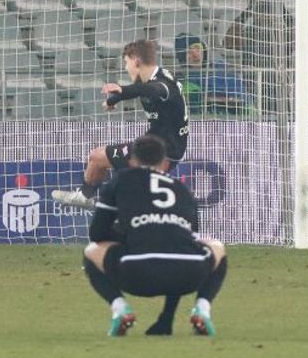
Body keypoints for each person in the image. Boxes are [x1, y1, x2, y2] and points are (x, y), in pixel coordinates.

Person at [81, 135, 228, 337]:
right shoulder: (183, 189)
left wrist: (127, 235)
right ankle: (201, 309)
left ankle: (120, 309)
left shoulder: (121, 181)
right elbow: (186, 243)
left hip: (137, 274)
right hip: (188, 276)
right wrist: (166, 318)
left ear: (131, 161)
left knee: (91, 251)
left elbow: (97, 233)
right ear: (165, 163)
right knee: (216, 246)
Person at [52, 39, 188, 210]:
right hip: (157, 146)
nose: (125, 68)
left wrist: (121, 91)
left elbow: (153, 90)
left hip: (162, 152)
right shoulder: (148, 78)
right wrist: (114, 99)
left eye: (126, 62)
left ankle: (90, 199)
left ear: (136, 61)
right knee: (99, 160)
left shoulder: (163, 84)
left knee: (103, 163)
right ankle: (87, 197)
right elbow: (139, 88)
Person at [173, 33, 250, 116]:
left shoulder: (221, 68)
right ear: (182, 56)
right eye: (189, 51)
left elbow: (240, 92)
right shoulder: (182, 79)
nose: (195, 55)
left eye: (197, 48)